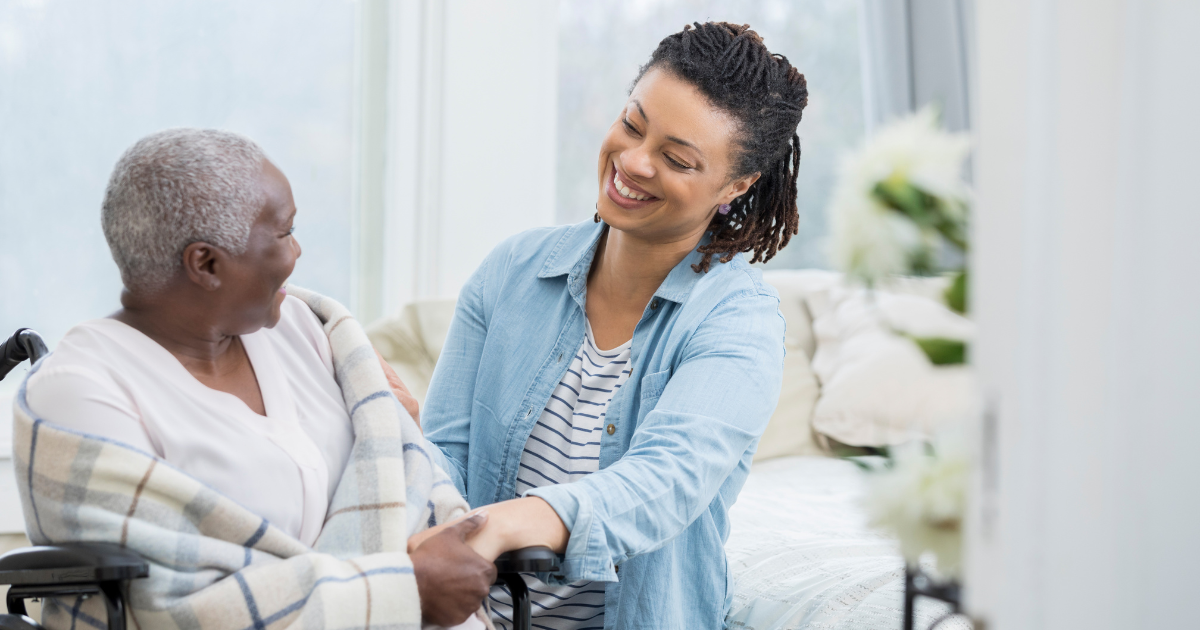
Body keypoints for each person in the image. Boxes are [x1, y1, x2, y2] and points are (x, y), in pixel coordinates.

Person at [416, 22, 809, 629]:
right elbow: (445, 459)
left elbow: (666, 480)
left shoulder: (738, 322)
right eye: (632, 124)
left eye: (676, 159)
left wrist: (505, 523)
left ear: (735, 185)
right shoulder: (512, 271)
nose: (632, 161)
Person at [22, 128, 493, 627]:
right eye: (285, 232)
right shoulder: (79, 391)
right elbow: (168, 609)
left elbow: (414, 484)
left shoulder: (308, 330)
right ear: (206, 263)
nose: (298, 253)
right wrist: (404, 590)